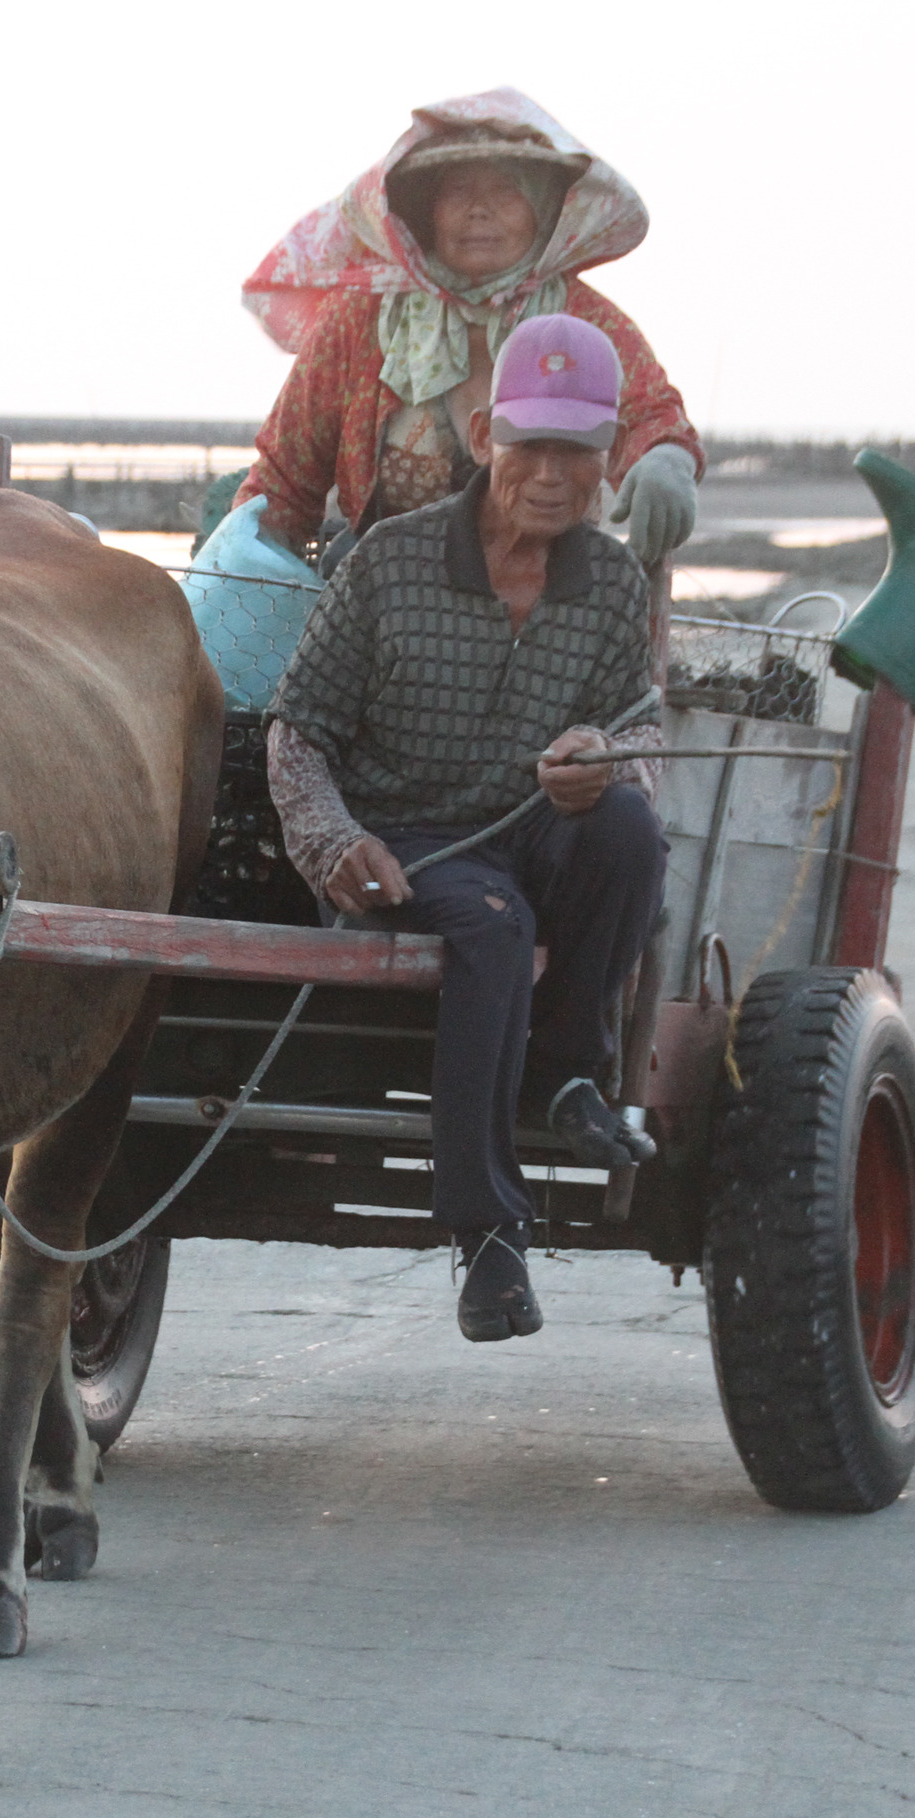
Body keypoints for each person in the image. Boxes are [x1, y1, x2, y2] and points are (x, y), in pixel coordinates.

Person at [267, 313, 668, 1343]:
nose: (550, 473)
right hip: (402, 844)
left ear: (609, 456)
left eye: (576, 451)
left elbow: (643, 732)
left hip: (537, 830)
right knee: (488, 920)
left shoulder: (617, 585)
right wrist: (331, 842)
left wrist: (601, 760)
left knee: (629, 831)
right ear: (487, 433)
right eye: (530, 444)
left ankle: (573, 1066)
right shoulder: (390, 563)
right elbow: (296, 730)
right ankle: (489, 1231)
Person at [234, 88, 702, 567]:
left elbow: (652, 415)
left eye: (506, 190)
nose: (480, 209)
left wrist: (665, 460)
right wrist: (246, 570)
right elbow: (285, 477)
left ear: (542, 209)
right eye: (458, 191)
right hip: (379, 594)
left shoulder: (583, 318)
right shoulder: (362, 319)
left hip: (548, 594)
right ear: (426, 210)